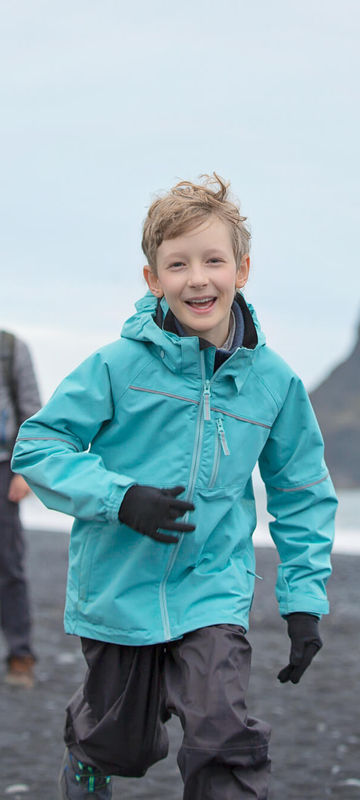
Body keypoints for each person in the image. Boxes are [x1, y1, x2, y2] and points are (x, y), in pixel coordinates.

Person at [11, 174, 337, 799]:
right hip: (117, 589)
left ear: (242, 269)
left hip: (213, 587)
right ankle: (87, 765)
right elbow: (38, 447)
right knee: (119, 744)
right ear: (152, 279)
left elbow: (300, 491)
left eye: (213, 260)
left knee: (223, 735)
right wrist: (120, 498)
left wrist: (303, 601)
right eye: (178, 264)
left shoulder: (274, 382)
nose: (198, 278)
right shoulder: (117, 365)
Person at [0, 330, 41, 688]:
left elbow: (31, 414)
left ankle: (20, 655)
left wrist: (23, 471)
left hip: (2, 471)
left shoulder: (11, 348)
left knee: (9, 567)